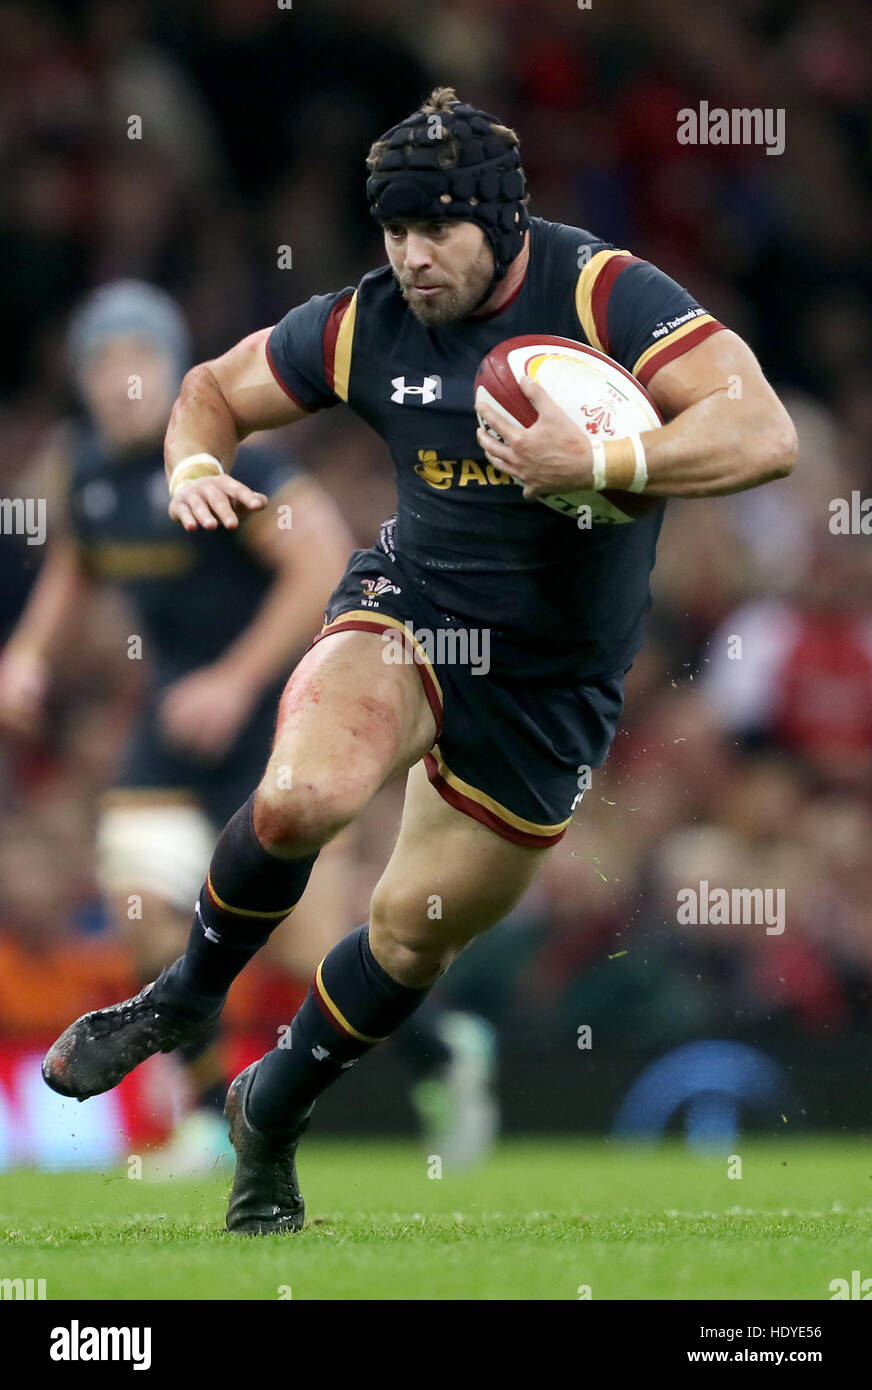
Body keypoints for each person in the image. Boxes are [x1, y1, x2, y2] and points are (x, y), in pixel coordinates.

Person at [42, 89, 797, 1231]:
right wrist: (194, 464)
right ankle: (182, 1001)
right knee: (302, 798)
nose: (411, 256)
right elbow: (209, 393)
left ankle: (274, 1111)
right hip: (408, 612)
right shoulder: (366, 320)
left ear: (500, 221)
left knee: (410, 931)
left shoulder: (603, 292)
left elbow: (763, 432)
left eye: (435, 228)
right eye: (393, 232)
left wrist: (607, 455)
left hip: (551, 684)